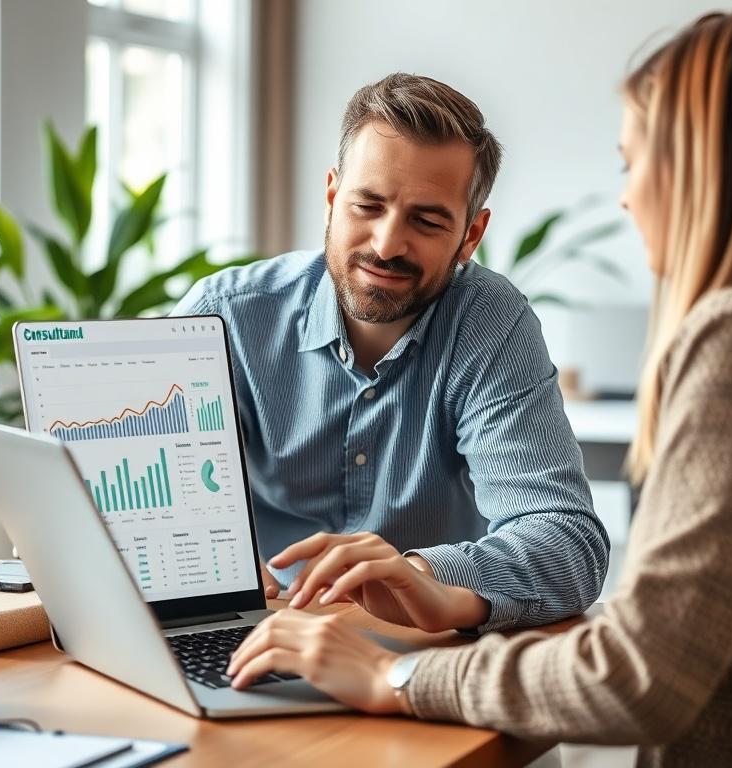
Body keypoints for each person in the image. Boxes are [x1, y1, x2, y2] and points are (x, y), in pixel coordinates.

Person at [226, 10, 732, 764]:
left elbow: (640, 668)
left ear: (700, 166)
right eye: (368, 204)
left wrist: (399, 670)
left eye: (632, 163)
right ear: (332, 195)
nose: (627, 198)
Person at [172, 73, 609, 633]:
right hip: (258, 632)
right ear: (332, 197)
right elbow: (128, 501)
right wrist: (197, 565)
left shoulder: (491, 325)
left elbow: (568, 544)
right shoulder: (224, 313)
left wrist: (419, 575)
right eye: (367, 206)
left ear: (471, 235)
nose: (386, 245)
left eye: (426, 221)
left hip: (419, 651)